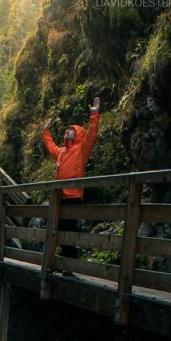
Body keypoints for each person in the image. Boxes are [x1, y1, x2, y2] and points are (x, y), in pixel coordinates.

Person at [42, 97, 101, 267]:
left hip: (73, 196)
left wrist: (94, 114)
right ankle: (64, 262)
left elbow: (92, 134)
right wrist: (45, 131)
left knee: (68, 229)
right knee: (58, 229)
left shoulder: (82, 149)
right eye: (68, 130)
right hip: (60, 196)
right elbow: (51, 146)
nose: (68, 131)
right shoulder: (62, 152)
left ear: (78, 133)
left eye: (72, 129)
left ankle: (70, 264)